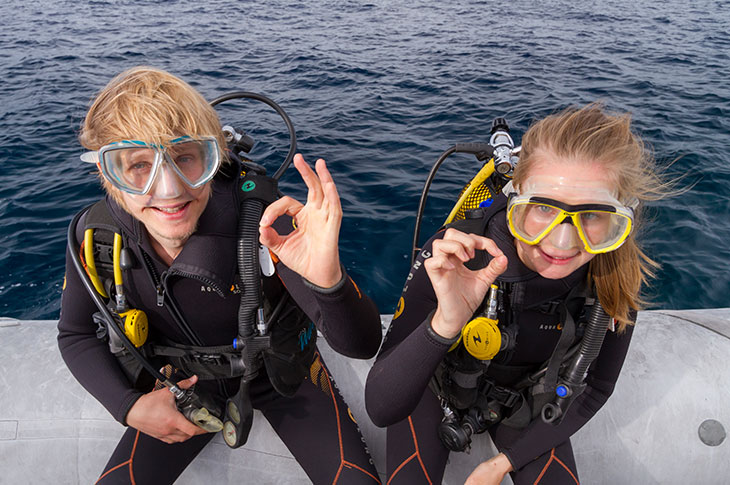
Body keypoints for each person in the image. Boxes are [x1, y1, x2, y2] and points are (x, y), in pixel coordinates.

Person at [58, 66, 383, 484]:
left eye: (186, 158)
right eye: (138, 165)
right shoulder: (99, 237)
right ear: (107, 174)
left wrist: (330, 281)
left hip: (280, 372)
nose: (170, 190)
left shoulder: (263, 220)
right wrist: (129, 406)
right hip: (181, 385)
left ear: (213, 159)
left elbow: (362, 344)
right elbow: (75, 334)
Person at [365, 103, 665, 484]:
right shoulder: (458, 254)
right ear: (515, 199)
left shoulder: (614, 273)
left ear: (619, 217)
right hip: (438, 386)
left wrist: (502, 463)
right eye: (542, 208)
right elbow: (381, 406)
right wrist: (445, 323)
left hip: (526, 399)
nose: (561, 242)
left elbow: (598, 387)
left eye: (591, 215)